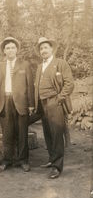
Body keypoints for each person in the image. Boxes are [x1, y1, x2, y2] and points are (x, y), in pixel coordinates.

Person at [0, 37, 34, 172]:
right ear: (4, 50)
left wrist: (31, 104)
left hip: (21, 103)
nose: (10, 50)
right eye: (7, 48)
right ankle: (7, 160)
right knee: (7, 133)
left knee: (22, 133)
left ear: (17, 50)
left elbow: (30, 86)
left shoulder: (25, 65)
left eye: (13, 47)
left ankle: (23, 160)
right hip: (5, 102)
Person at [35, 37, 74, 179]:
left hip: (55, 102)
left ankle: (57, 167)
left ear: (52, 49)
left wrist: (59, 99)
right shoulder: (40, 66)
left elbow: (69, 84)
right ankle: (52, 159)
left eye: (46, 47)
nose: (43, 50)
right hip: (42, 104)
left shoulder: (60, 63)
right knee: (48, 133)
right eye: (41, 48)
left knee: (57, 134)